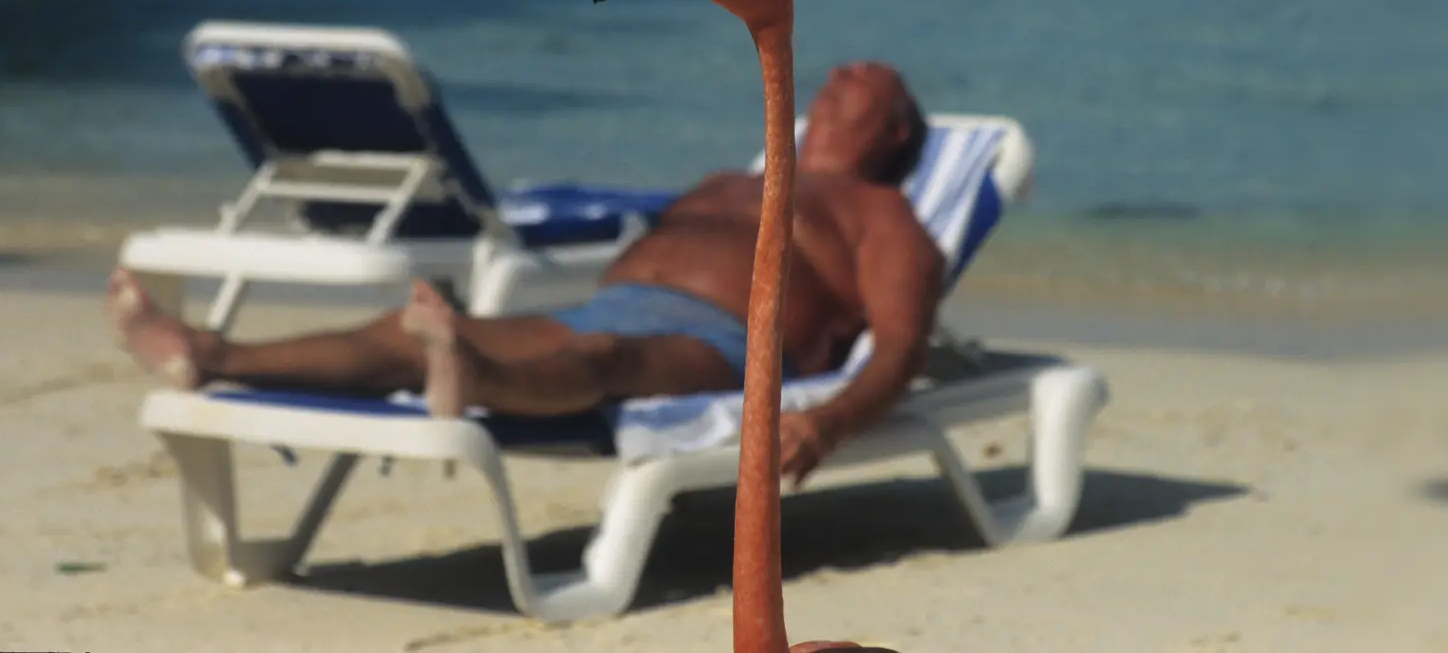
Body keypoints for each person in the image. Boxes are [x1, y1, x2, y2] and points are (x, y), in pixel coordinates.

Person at [107, 61, 948, 485]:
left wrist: (830, 423)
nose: (842, 76)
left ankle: (472, 375)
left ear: (896, 134)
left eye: (868, 83)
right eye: (837, 72)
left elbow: (900, 346)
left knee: (603, 369)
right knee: (403, 330)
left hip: (719, 341)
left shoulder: (886, 219)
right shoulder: (737, 179)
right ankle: (213, 356)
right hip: (610, 303)